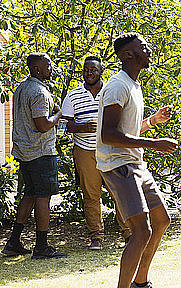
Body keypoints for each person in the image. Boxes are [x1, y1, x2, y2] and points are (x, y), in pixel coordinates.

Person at [96, 32, 178, 288]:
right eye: (143, 47)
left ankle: (141, 282)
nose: (149, 50)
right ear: (128, 55)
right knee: (142, 232)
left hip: (134, 163)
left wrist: (153, 122)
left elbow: (127, 131)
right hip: (119, 165)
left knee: (162, 220)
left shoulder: (133, 85)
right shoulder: (118, 86)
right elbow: (108, 135)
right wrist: (155, 144)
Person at [1, 53, 68, 259]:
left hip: (24, 151)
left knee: (29, 194)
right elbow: (43, 125)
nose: (51, 68)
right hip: (40, 152)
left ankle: (13, 242)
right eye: (48, 65)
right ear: (37, 69)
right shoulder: (39, 92)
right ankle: (41, 246)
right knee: (42, 197)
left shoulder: (21, 87)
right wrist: (59, 114)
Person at [61, 56, 131, 250]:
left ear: (101, 70)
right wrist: (82, 127)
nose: (89, 73)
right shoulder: (73, 95)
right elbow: (63, 125)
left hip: (110, 150)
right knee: (91, 196)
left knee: (120, 192)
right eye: (86, 70)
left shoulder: (111, 91)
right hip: (84, 150)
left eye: (93, 69)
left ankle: (128, 233)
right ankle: (96, 237)